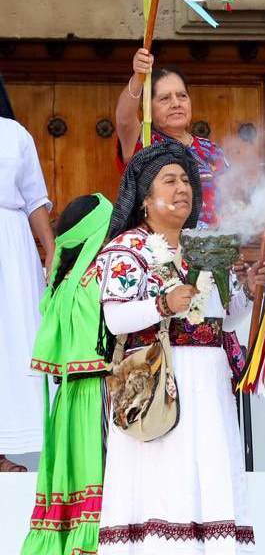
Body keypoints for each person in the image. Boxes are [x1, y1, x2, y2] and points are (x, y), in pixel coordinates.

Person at [94, 141, 265, 553]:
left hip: (207, 383)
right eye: (169, 181)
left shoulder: (206, 246)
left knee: (210, 474)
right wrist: (161, 304)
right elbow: (115, 319)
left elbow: (222, 315)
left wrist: (247, 292)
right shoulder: (126, 249)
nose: (182, 188)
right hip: (156, 382)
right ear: (145, 199)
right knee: (161, 480)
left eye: (187, 180)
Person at [22, 195, 112, 555]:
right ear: (98, 234)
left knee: (73, 485)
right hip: (100, 395)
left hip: (68, 401)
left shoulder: (61, 285)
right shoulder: (100, 278)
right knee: (98, 479)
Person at [116, 49, 229, 228]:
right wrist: (138, 76)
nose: (176, 103)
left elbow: (231, 202)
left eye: (182, 96)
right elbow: (124, 120)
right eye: (165, 98)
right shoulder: (144, 143)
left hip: (212, 248)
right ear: (148, 108)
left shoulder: (212, 150)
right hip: (160, 249)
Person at [0, 109, 55, 473]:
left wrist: (51, 251)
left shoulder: (14, 133)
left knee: (12, 345)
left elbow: (34, 198)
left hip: (11, 247)